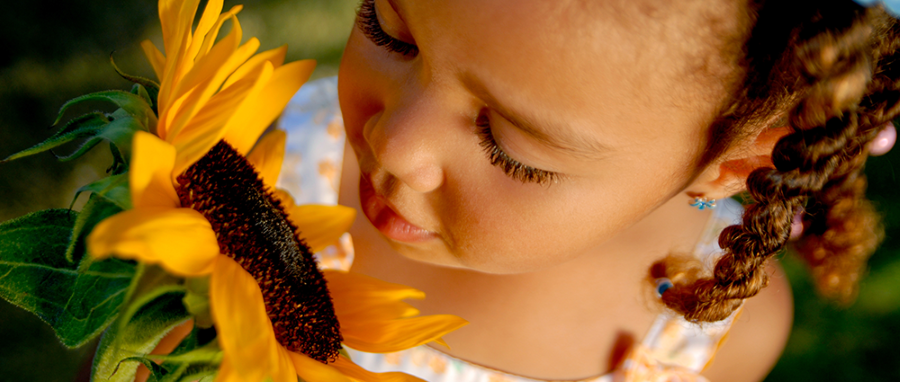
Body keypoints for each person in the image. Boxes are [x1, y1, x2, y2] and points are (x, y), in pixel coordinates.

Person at [276, 0, 899, 380]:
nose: (394, 146)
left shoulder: (708, 342)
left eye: (510, 149)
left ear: (734, 164)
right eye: (390, 32)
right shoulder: (273, 151)